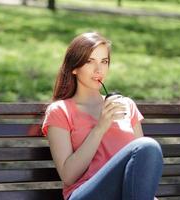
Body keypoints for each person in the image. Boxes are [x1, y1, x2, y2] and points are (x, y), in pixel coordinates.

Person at [41, 32, 163, 200]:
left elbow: (141, 168)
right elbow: (68, 176)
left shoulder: (125, 105)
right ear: (74, 67)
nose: (99, 69)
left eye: (104, 62)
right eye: (90, 61)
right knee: (147, 146)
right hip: (85, 193)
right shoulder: (60, 111)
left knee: (148, 149)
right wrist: (100, 128)